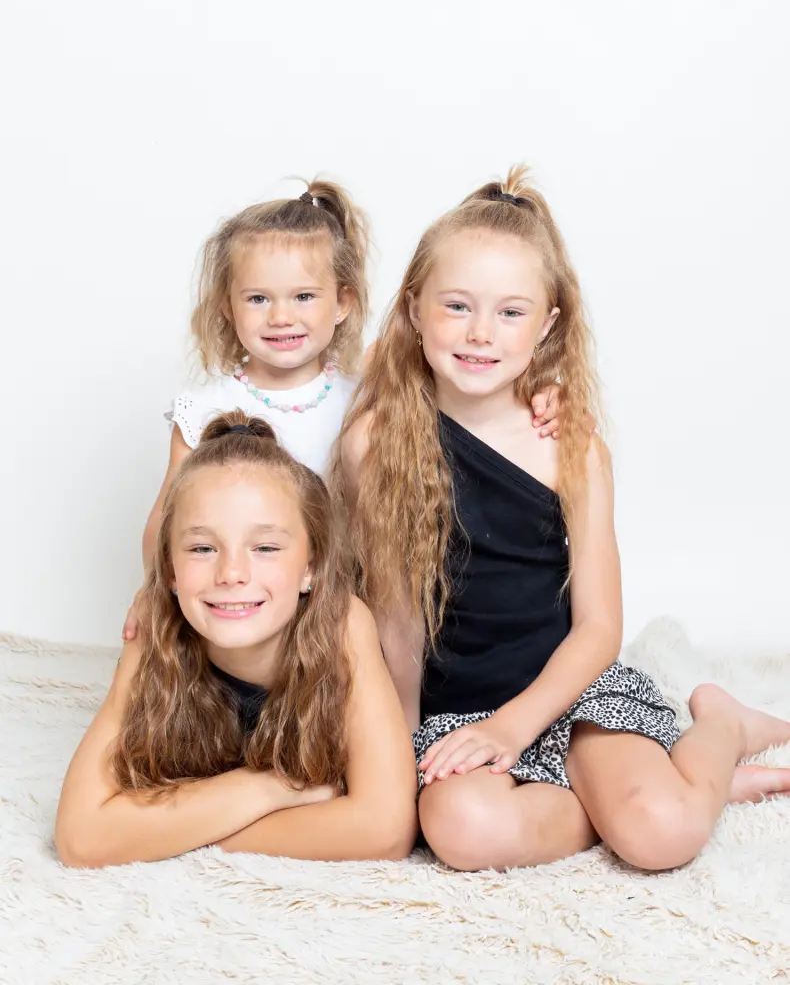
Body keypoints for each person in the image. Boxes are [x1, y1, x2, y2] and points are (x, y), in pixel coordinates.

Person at [337, 167, 790, 872]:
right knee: (461, 830)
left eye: (511, 313)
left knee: (662, 835)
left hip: (572, 693)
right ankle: (627, 797)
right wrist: (398, 752)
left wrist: (516, 727)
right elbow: (395, 620)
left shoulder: (571, 445)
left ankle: (719, 729)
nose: (481, 333)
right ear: (413, 309)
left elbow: (600, 628)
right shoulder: (376, 441)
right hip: (459, 715)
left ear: (548, 325)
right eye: (456, 306)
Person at [123, 179, 563, 641]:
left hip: (335, 609)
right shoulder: (205, 409)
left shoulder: (366, 394)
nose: (281, 317)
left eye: (304, 297)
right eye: (258, 298)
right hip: (238, 600)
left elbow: (467, 387)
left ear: (342, 303)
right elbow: (166, 520)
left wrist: (546, 392)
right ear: (227, 308)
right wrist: (155, 587)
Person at [56, 410, 417, 867]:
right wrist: (272, 787)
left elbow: (385, 831)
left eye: (265, 548)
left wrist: (175, 830)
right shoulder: (155, 633)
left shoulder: (343, 624)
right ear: (169, 569)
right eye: (203, 548)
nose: (231, 574)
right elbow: (80, 838)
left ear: (311, 567)